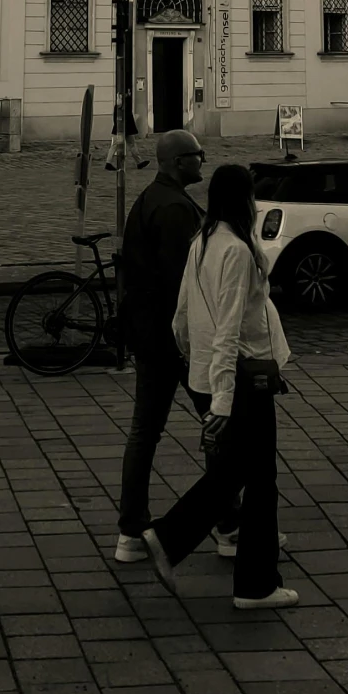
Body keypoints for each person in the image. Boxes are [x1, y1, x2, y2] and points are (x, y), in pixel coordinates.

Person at [144, 164, 297, 612]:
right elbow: (230, 328)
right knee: (260, 476)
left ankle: (169, 538)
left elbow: (182, 314)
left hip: (219, 374)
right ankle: (255, 584)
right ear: (245, 199)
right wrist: (224, 400)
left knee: (235, 472)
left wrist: (196, 362)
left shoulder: (203, 241)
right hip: (244, 378)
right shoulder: (235, 250)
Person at [114, 129, 222, 564]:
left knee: (145, 432)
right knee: (222, 425)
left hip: (148, 335)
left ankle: (131, 531)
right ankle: (229, 524)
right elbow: (187, 283)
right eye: (198, 155)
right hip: (177, 341)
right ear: (179, 162)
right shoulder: (176, 209)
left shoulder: (149, 199)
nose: (203, 160)